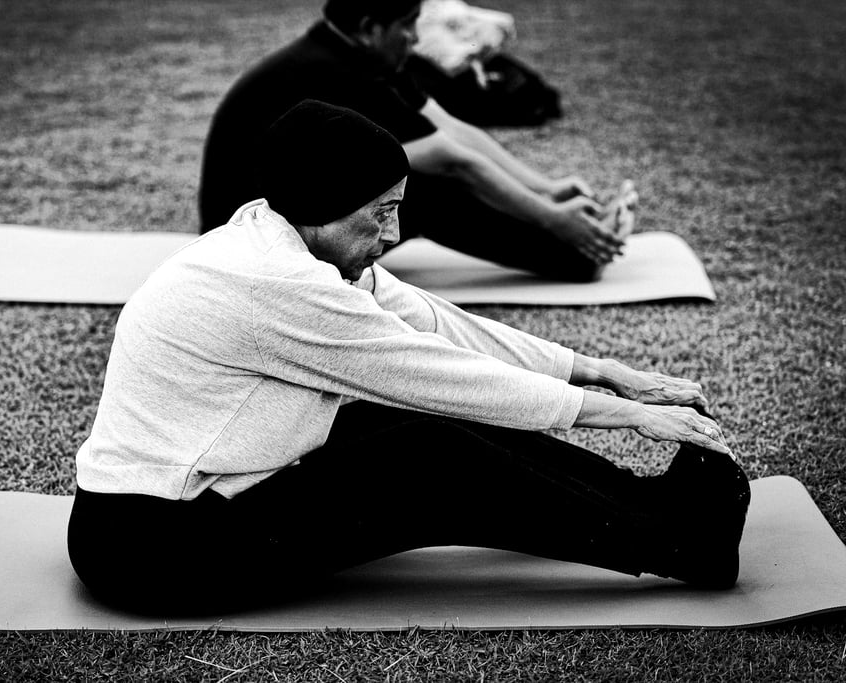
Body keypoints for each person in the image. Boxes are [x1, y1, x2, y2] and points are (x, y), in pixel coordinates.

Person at [70, 101, 749, 615]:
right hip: (153, 547)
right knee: (433, 455)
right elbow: (437, 376)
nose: (391, 235)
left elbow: (438, 325)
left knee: (422, 427)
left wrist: (603, 372)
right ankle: (681, 546)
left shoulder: (288, 235)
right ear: (322, 207)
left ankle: (654, 505)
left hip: (200, 497)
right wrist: (624, 415)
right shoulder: (279, 284)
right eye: (380, 214)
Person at [198, 0, 637, 283]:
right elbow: (452, 161)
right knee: (424, 191)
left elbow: (452, 128)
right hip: (244, 237)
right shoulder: (335, 70)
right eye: (408, 25)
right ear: (372, 26)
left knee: (418, 180)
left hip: (285, 210)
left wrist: (547, 188)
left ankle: (580, 237)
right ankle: (577, 252)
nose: (414, 37)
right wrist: (554, 219)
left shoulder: (356, 51)